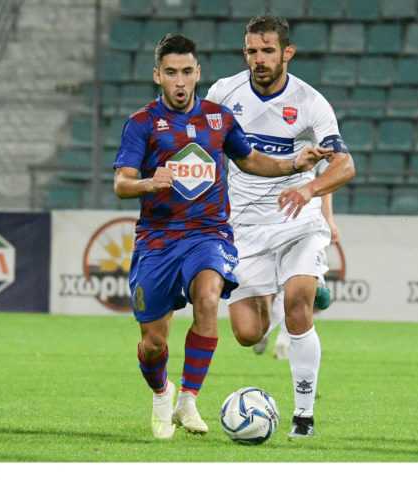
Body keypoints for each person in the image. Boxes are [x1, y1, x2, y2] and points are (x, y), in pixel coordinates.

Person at [113, 33, 331, 439]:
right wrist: (147, 183)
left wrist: (294, 164)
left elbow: (250, 160)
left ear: (198, 73)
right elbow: (121, 184)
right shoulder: (141, 123)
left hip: (208, 233)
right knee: (153, 343)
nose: (180, 81)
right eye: (171, 73)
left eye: (187, 72)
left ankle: (188, 399)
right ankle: (162, 392)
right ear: (158, 75)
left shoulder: (218, 118)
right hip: (158, 239)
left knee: (209, 297)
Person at [205, 16, 356, 437]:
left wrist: (310, 190)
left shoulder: (310, 103)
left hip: (297, 220)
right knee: (246, 333)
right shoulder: (223, 94)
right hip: (244, 226)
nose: (259, 59)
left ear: (287, 53)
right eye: (252, 51)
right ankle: (280, 301)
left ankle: (303, 416)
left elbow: (345, 165)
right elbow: (202, 146)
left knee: (298, 305)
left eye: (268, 51)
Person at [253, 181, 340, 360]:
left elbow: (325, 186)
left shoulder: (316, 164)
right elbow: (325, 188)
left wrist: (329, 219)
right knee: (302, 294)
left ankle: (274, 336)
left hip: (301, 224)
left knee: (296, 292)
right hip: (288, 224)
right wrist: (329, 219)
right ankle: (278, 338)